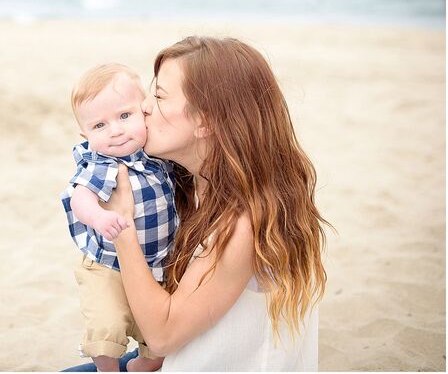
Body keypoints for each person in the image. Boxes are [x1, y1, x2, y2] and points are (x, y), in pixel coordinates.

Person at [64, 36, 331, 372]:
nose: (144, 106)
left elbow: (161, 336)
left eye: (159, 96)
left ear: (206, 121)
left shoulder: (243, 221)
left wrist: (123, 226)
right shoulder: (190, 183)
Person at [60, 64, 179, 372]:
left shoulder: (157, 156)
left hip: (156, 264)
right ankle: (108, 368)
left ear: (144, 112)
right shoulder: (103, 164)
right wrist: (99, 217)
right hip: (107, 265)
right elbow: (80, 197)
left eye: (125, 116)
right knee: (105, 325)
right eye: (99, 125)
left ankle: (141, 365)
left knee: (157, 340)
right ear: (85, 135)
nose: (115, 130)